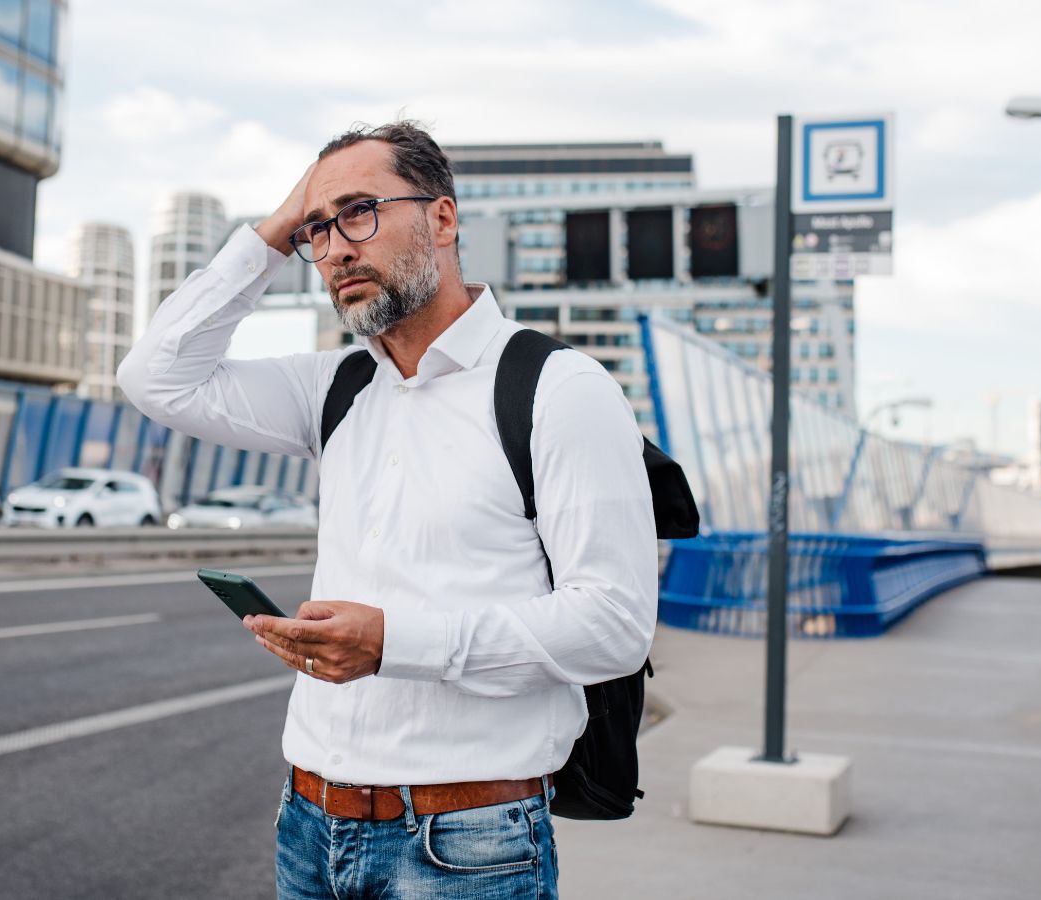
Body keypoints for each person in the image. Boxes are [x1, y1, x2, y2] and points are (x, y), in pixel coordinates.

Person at [116, 121, 656, 899]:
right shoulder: (334, 387)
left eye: (359, 211)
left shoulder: (561, 389)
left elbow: (614, 625)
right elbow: (155, 377)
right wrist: (272, 232)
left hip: (469, 843)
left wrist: (394, 643)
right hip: (308, 823)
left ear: (442, 219)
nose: (333, 248)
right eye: (315, 229)